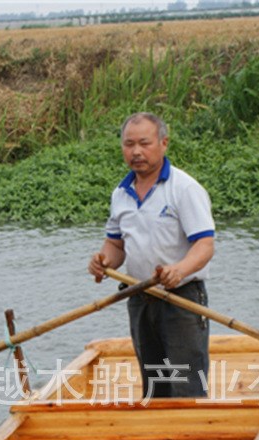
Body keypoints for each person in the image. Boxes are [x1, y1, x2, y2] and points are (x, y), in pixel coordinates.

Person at [88, 112, 215, 399]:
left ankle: (189, 438)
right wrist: (103, 261)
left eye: (144, 143)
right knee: (154, 381)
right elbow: (116, 245)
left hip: (181, 298)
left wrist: (179, 270)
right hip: (139, 296)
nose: (136, 152)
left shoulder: (184, 189)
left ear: (163, 143)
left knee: (186, 383)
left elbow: (205, 245)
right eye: (129, 144)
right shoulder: (121, 193)